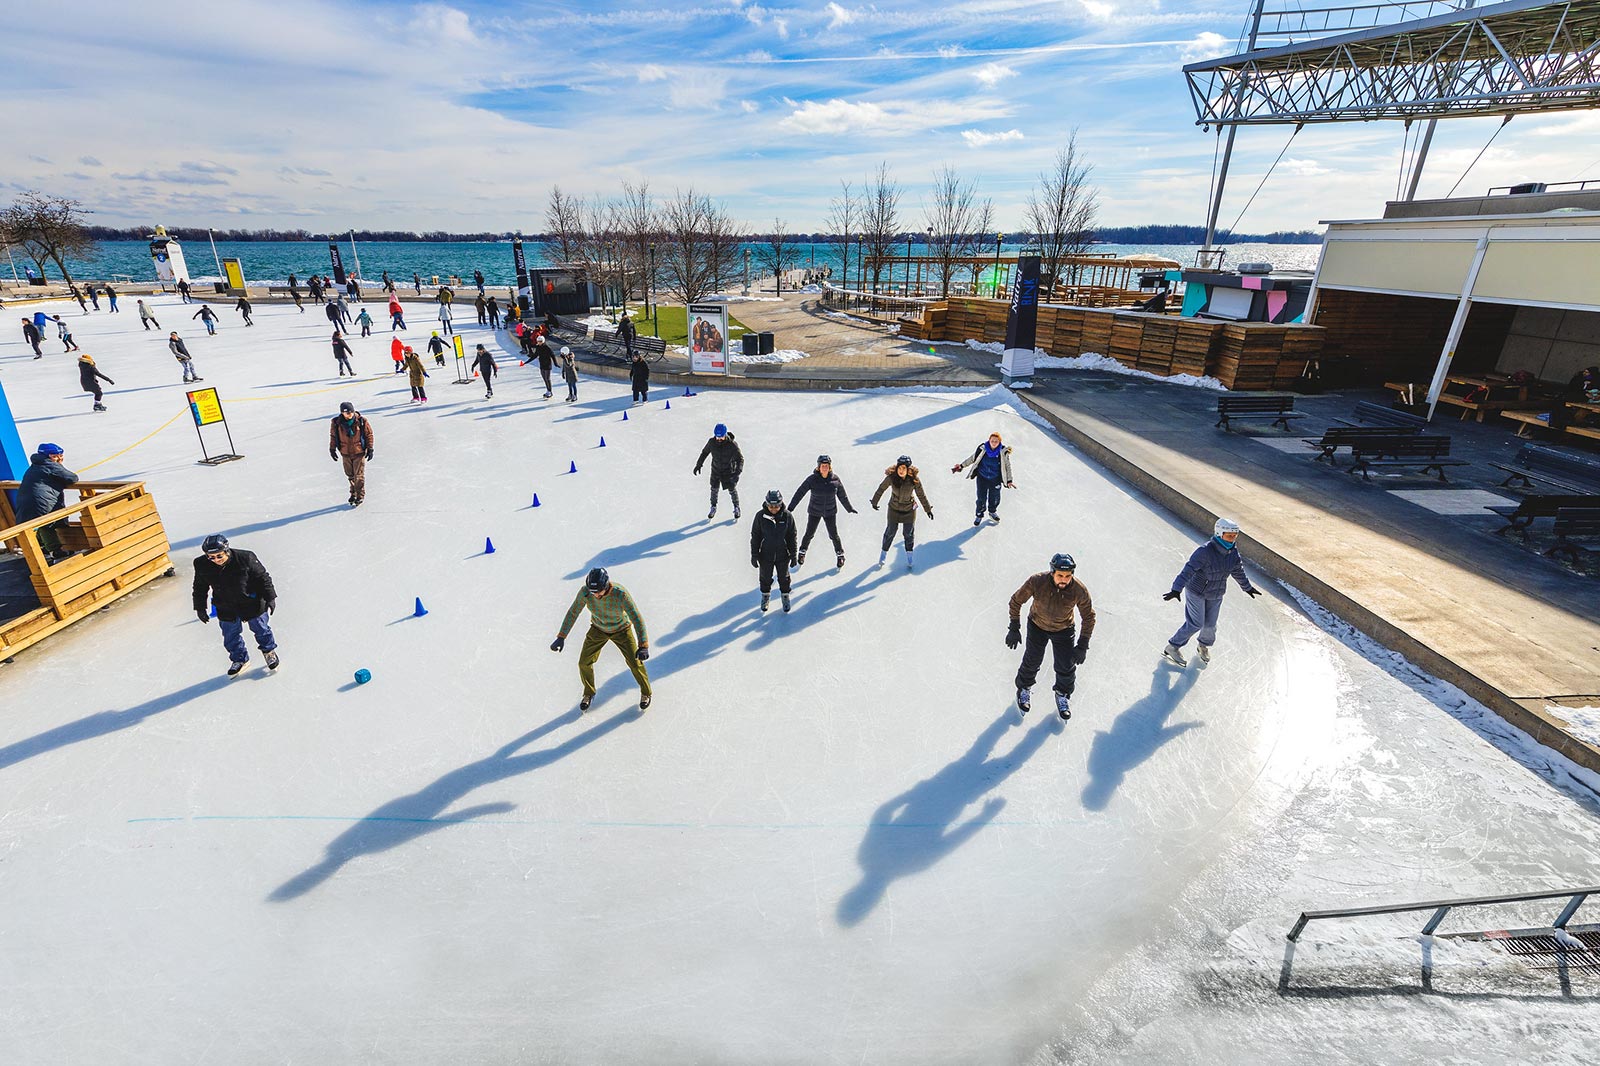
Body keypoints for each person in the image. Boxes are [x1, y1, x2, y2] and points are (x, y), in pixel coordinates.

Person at [1161, 518, 1261, 666]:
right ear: (1220, 534)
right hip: (1197, 591)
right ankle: (1173, 647)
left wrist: (1247, 587)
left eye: (1235, 536)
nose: (1232, 539)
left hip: (1216, 593)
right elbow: (1188, 570)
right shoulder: (1205, 552)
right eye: (1229, 536)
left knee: (1210, 625)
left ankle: (1203, 645)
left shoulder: (1233, 553)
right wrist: (1176, 589)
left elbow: (1238, 571)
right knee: (1196, 623)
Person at [549, 567, 652, 712]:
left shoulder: (620, 594)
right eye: (593, 592)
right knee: (583, 663)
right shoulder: (585, 592)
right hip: (598, 629)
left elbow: (636, 617)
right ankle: (589, 693)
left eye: (598, 592)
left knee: (635, 663)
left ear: (606, 585)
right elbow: (573, 612)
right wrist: (561, 637)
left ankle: (646, 692)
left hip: (622, 630)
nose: (596, 595)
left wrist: (643, 645)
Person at [1007, 553, 1095, 720]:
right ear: (1052, 572)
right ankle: (1024, 688)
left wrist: (1083, 644)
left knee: (1066, 666)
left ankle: (1062, 694)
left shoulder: (1079, 590)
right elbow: (1016, 601)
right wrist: (1014, 627)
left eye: (1068, 576)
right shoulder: (1037, 581)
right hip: (1037, 625)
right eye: (1060, 575)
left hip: (1064, 629)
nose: (1064, 579)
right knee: (1032, 659)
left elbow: (1089, 616)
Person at [192, 534, 279, 677]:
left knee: (261, 629)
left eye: (219, 556)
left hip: (251, 601)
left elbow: (263, 577)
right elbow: (200, 587)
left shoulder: (245, 558)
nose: (216, 560)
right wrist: (200, 607)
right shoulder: (201, 564)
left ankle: (269, 651)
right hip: (225, 605)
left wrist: (270, 597)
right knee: (230, 636)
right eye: (211, 557)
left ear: (226, 550)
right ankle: (240, 659)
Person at [789, 454, 857, 569]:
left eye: (826, 465)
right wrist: (791, 507)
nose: (824, 467)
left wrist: (849, 508)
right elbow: (800, 492)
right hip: (814, 511)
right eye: (822, 465)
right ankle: (802, 552)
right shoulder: (812, 479)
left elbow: (842, 495)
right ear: (818, 467)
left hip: (830, 512)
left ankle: (840, 555)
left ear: (830, 467)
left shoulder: (835, 479)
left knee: (834, 535)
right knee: (809, 533)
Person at [15, 443, 79, 559]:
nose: (59, 458)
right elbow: (72, 478)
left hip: (27, 501)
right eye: (55, 456)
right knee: (46, 524)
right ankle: (55, 550)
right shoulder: (48, 465)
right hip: (40, 502)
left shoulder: (36, 465)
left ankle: (44, 546)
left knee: (38, 524)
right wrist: (60, 465)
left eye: (60, 455)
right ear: (47, 456)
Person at [871, 454, 933, 570]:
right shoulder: (891, 477)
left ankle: (909, 556)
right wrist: (874, 501)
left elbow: (921, 495)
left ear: (908, 469)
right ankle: (883, 554)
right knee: (890, 532)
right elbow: (881, 488)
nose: (901, 470)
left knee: (908, 534)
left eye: (904, 468)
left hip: (909, 510)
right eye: (899, 468)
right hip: (894, 509)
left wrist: (928, 509)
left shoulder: (914, 480)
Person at [952, 431, 1015, 526]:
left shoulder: (1003, 452)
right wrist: (961, 466)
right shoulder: (982, 449)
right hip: (982, 478)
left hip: (995, 479)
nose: (994, 443)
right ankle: (979, 515)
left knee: (994, 498)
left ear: (999, 442)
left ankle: (992, 512)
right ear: (989, 440)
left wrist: (1009, 480)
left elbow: (1007, 466)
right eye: (992, 440)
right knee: (981, 498)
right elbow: (973, 458)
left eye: (996, 441)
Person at [750, 488, 797, 613]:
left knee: (784, 578)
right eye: (771, 506)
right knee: (765, 577)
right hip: (765, 554)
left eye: (777, 506)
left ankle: (785, 596)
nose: (774, 508)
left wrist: (793, 555)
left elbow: (792, 536)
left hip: (782, 554)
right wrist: (754, 555)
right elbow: (755, 536)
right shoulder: (760, 516)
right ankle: (765, 596)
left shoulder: (787, 516)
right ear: (766, 504)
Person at [694, 423, 744, 520]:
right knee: (714, 489)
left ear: (725, 435)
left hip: (728, 471)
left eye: (721, 437)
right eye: (717, 437)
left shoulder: (732, 445)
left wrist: (737, 473)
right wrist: (699, 464)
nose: (719, 439)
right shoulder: (712, 442)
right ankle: (713, 507)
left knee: (732, 490)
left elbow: (740, 459)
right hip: (716, 470)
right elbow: (705, 452)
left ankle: (736, 507)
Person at [329, 401, 374, 506]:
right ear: (342, 413)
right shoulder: (336, 423)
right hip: (345, 453)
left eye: (351, 412)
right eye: (346, 413)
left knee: (358, 476)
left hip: (359, 452)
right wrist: (332, 449)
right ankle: (353, 493)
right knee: (350, 475)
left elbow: (369, 434)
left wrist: (370, 448)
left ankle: (360, 495)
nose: (349, 415)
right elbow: (333, 436)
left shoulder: (362, 421)